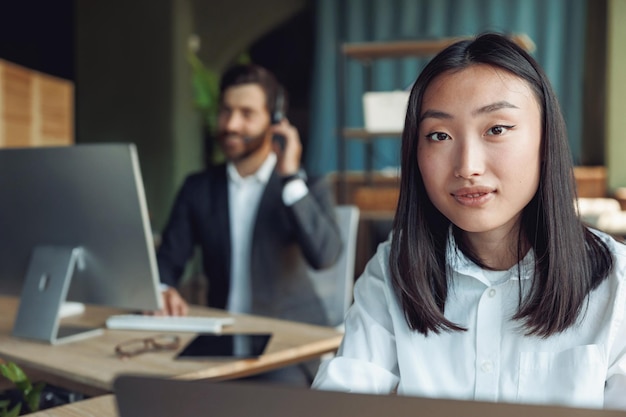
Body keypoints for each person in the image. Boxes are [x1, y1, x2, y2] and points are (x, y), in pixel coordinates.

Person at [312, 32, 626, 410]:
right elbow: (340, 398)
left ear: (546, 139)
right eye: (439, 135)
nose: (466, 166)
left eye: (496, 129)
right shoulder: (394, 270)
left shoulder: (617, 286)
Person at [156, 63, 342, 328]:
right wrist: (162, 289)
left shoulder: (307, 186)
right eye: (226, 111)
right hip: (222, 333)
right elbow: (169, 259)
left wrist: (290, 179)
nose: (231, 124)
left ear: (275, 120)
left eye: (247, 114)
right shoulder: (198, 188)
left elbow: (325, 256)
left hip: (288, 337)